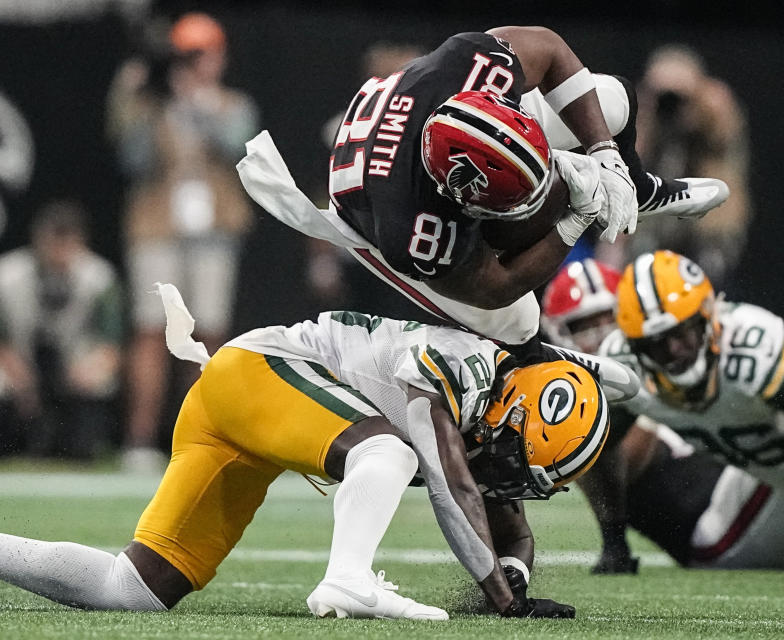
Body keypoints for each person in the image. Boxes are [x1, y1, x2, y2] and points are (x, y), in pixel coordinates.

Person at [0, 284, 637, 618]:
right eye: (520, 457)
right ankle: (348, 579)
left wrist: (513, 574)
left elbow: (505, 521)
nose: (511, 478)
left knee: (133, 588)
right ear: (516, 405)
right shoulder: (467, 367)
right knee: (391, 451)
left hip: (241, 415)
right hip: (255, 372)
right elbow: (454, 487)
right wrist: (504, 599)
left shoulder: (496, 413)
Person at [238, 26, 728, 351]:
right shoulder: (412, 224)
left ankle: (633, 186)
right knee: (515, 322)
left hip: (433, 131)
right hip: (370, 209)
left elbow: (551, 49)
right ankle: (538, 362)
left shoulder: (465, 64)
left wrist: (603, 151)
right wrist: (573, 221)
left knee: (611, 101)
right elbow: (492, 287)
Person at [546, 254, 784, 571]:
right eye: (655, 343)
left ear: (707, 317)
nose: (673, 351)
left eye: (681, 332)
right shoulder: (623, 366)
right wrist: (614, 539)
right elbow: (594, 445)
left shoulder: (758, 349)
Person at [107, 12, 259, 472]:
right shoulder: (149, 104)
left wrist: (198, 103)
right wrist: (136, 95)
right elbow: (132, 160)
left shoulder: (233, 105)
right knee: (152, 330)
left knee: (208, 332)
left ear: (219, 57)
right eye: (186, 56)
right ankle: (139, 440)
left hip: (214, 230)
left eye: (202, 55)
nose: (194, 64)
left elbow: (239, 148)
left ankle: (206, 434)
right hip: (157, 227)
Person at [0, 201, 124, 464]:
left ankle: (85, 447)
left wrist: (87, 371)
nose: (60, 253)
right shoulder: (6, 274)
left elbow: (112, 344)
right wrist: (21, 377)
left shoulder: (99, 278)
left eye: (68, 244)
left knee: (99, 380)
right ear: (39, 240)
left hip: (74, 362)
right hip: (22, 358)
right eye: (54, 243)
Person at [604, 45, 751, 291]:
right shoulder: (647, 117)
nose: (671, 103)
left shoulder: (712, 111)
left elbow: (723, 136)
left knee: (710, 263)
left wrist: (698, 104)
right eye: (664, 95)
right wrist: (644, 110)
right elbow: (629, 165)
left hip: (707, 224)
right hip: (655, 221)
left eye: (679, 96)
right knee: (640, 253)